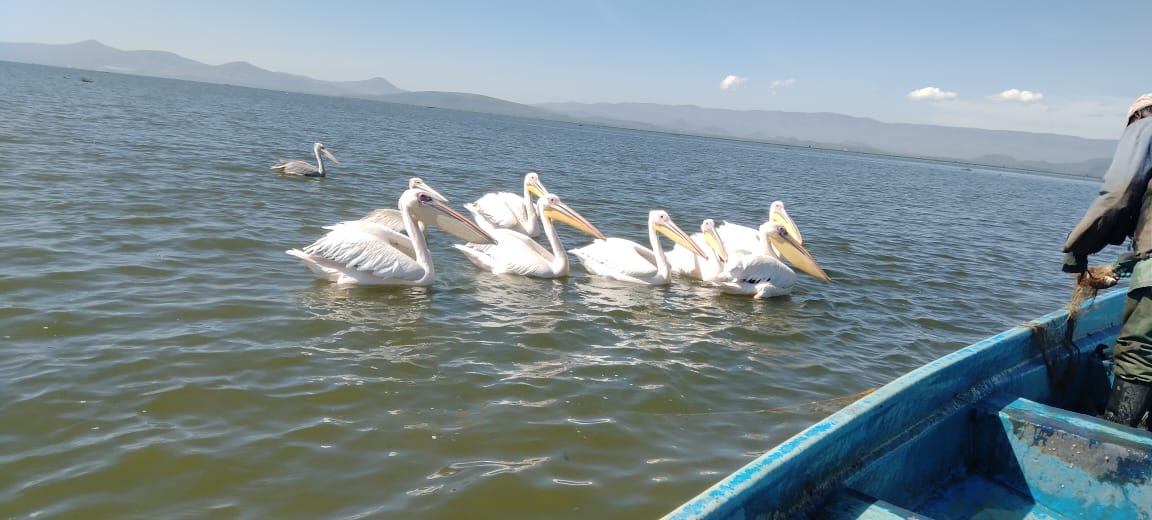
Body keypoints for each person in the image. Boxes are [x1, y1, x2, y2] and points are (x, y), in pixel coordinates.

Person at [1063, 92, 1152, 428]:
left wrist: (1079, 247)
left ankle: (1115, 438)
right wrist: (1122, 267)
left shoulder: (1146, 124)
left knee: (1138, 351)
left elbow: (1119, 190)